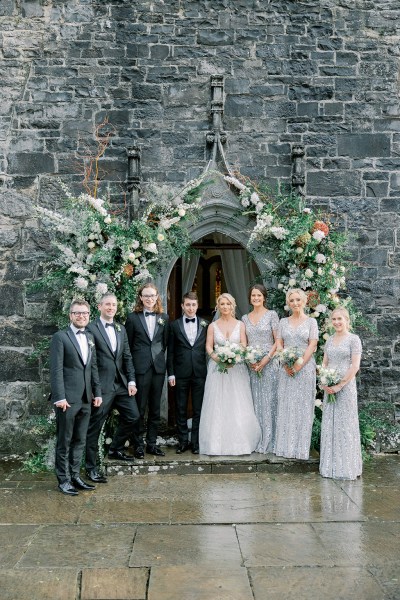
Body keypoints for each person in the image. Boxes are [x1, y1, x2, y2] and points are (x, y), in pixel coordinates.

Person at [85, 293, 140, 483]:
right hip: (102, 386)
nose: (111, 307)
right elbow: (89, 361)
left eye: (114, 304)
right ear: (99, 306)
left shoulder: (120, 328)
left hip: (121, 385)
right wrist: (95, 388)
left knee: (133, 416)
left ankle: (116, 449)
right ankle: (91, 468)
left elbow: (127, 357)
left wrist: (131, 381)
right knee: (95, 427)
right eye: (107, 304)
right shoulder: (90, 328)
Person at [50, 299, 102, 495]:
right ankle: (63, 480)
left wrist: (97, 392)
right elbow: (56, 371)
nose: (81, 316)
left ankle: (75, 475)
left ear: (89, 316)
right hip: (67, 400)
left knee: (80, 439)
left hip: (86, 398)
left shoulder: (90, 336)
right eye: (77, 313)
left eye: (85, 313)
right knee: (65, 440)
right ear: (70, 315)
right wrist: (59, 397)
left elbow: (93, 368)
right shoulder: (60, 337)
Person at [199, 293, 261, 456]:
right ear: (217, 306)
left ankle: (239, 442)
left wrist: (235, 357)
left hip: (237, 369)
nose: (225, 307)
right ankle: (215, 443)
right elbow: (209, 346)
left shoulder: (240, 324)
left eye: (228, 304)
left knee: (237, 403)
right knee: (218, 404)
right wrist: (217, 358)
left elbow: (243, 345)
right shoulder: (213, 326)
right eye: (222, 304)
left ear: (232, 306)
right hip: (217, 369)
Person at [125, 283, 169, 458]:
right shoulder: (133, 318)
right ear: (141, 298)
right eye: (146, 296)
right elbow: (127, 344)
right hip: (140, 368)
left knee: (155, 409)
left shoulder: (164, 317)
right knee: (140, 408)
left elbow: (164, 343)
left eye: (152, 295)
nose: (150, 299)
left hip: (158, 368)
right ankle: (138, 444)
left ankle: (152, 443)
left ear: (157, 297)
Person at [274, 288, 319, 460]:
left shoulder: (311, 323)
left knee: (302, 406)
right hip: (286, 369)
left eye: (298, 300)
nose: (295, 303)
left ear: (304, 301)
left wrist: (299, 365)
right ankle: (285, 447)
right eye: (291, 300)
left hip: (305, 368)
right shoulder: (283, 322)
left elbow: (312, 346)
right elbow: (279, 343)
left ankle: (300, 449)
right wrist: (285, 361)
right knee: (287, 404)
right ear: (288, 303)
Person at [319, 307, 363, 480]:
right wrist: (324, 381)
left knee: (345, 425)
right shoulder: (329, 340)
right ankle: (330, 467)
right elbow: (324, 362)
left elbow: (355, 366)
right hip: (329, 387)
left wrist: (340, 385)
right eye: (334, 319)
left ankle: (346, 467)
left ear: (347, 320)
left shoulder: (354, 339)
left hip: (345, 388)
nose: (337, 322)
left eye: (340, 319)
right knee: (330, 424)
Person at [167, 291, 208, 455]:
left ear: (197, 306)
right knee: (181, 408)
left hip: (199, 372)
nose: (191, 308)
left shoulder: (206, 324)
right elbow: (170, 351)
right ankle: (183, 441)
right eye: (188, 305)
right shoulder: (174, 325)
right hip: (180, 373)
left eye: (193, 305)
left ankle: (196, 442)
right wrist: (171, 373)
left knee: (198, 409)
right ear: (182, 306)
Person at [242, 284, 279, 454]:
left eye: (259, 295)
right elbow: (244, 343)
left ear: (264, 297)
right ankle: (256, 438)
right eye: (253, 295)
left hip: (269, 364)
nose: (256, 298)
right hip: (252, 366)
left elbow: (278, 341)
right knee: (254, 402)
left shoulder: (272, 315)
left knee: (269, 401)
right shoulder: (244, 318)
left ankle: (270, 440)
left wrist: (266, 359)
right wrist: (249, 359)